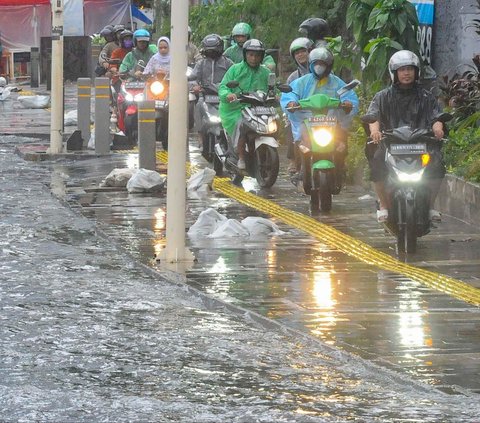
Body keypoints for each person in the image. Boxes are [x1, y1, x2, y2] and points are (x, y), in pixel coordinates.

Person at [365, 50, 446, 223]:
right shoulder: (383, 96)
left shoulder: (426, 96)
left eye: (410, 69)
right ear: (394, 73)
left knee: (437, 164)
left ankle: (430, 206)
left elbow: (436, 117)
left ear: (416, 72)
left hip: (421, 145)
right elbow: (373, 116)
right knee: (377, 162)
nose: (406, 73)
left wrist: (438, 128)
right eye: (402, 69)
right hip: (391, 145)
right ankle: (384, 205)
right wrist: (375, 131)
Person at [280, 47, 359, 182]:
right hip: (307, 120)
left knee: (341, 140)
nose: (319, 67)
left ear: (329, 66)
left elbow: (348, 95)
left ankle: (341, 165)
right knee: (301, 141)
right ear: (310, 65)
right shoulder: (302, 81)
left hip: (331, 120)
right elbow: (290, 93)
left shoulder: (337, 82)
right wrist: (292, 103)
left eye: (322, 64)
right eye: (316, 64)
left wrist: (347, 103)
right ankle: (299, 168)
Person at [219, 39, 272, 170]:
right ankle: (241, 157)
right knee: (241, 125)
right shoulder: (235, 69)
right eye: (251, 55)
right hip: (235, 108)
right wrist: (228, 95)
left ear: (262, 56)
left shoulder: (265, 72)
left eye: (257, 55)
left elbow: (272, 89)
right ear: (245, 55)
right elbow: (223, 87)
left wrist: (275, 95)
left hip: (258, 108)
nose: (254, 58)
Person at [190, 33, 234, 151]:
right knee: (198, 105)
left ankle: (233, 137)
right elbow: (193, 77)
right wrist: (195, 86)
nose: (211, 53)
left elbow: (235, 76)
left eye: (214, 50)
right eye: (209, 51)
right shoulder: (201, 63)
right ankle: (200, 135)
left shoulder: (228, 63)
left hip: (224, 96)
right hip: (206, 95)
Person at [285, 37, 314, 174]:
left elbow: (335, 90)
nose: (300, 55)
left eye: (303, 51)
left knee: (339, 127)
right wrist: (291, 103)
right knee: (289, 124)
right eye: (297, 53)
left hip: (322, 111)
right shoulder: (292, 77)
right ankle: (294, 161)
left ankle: (340, 159)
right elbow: (288, 95)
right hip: (300, 114)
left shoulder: (327, 73)